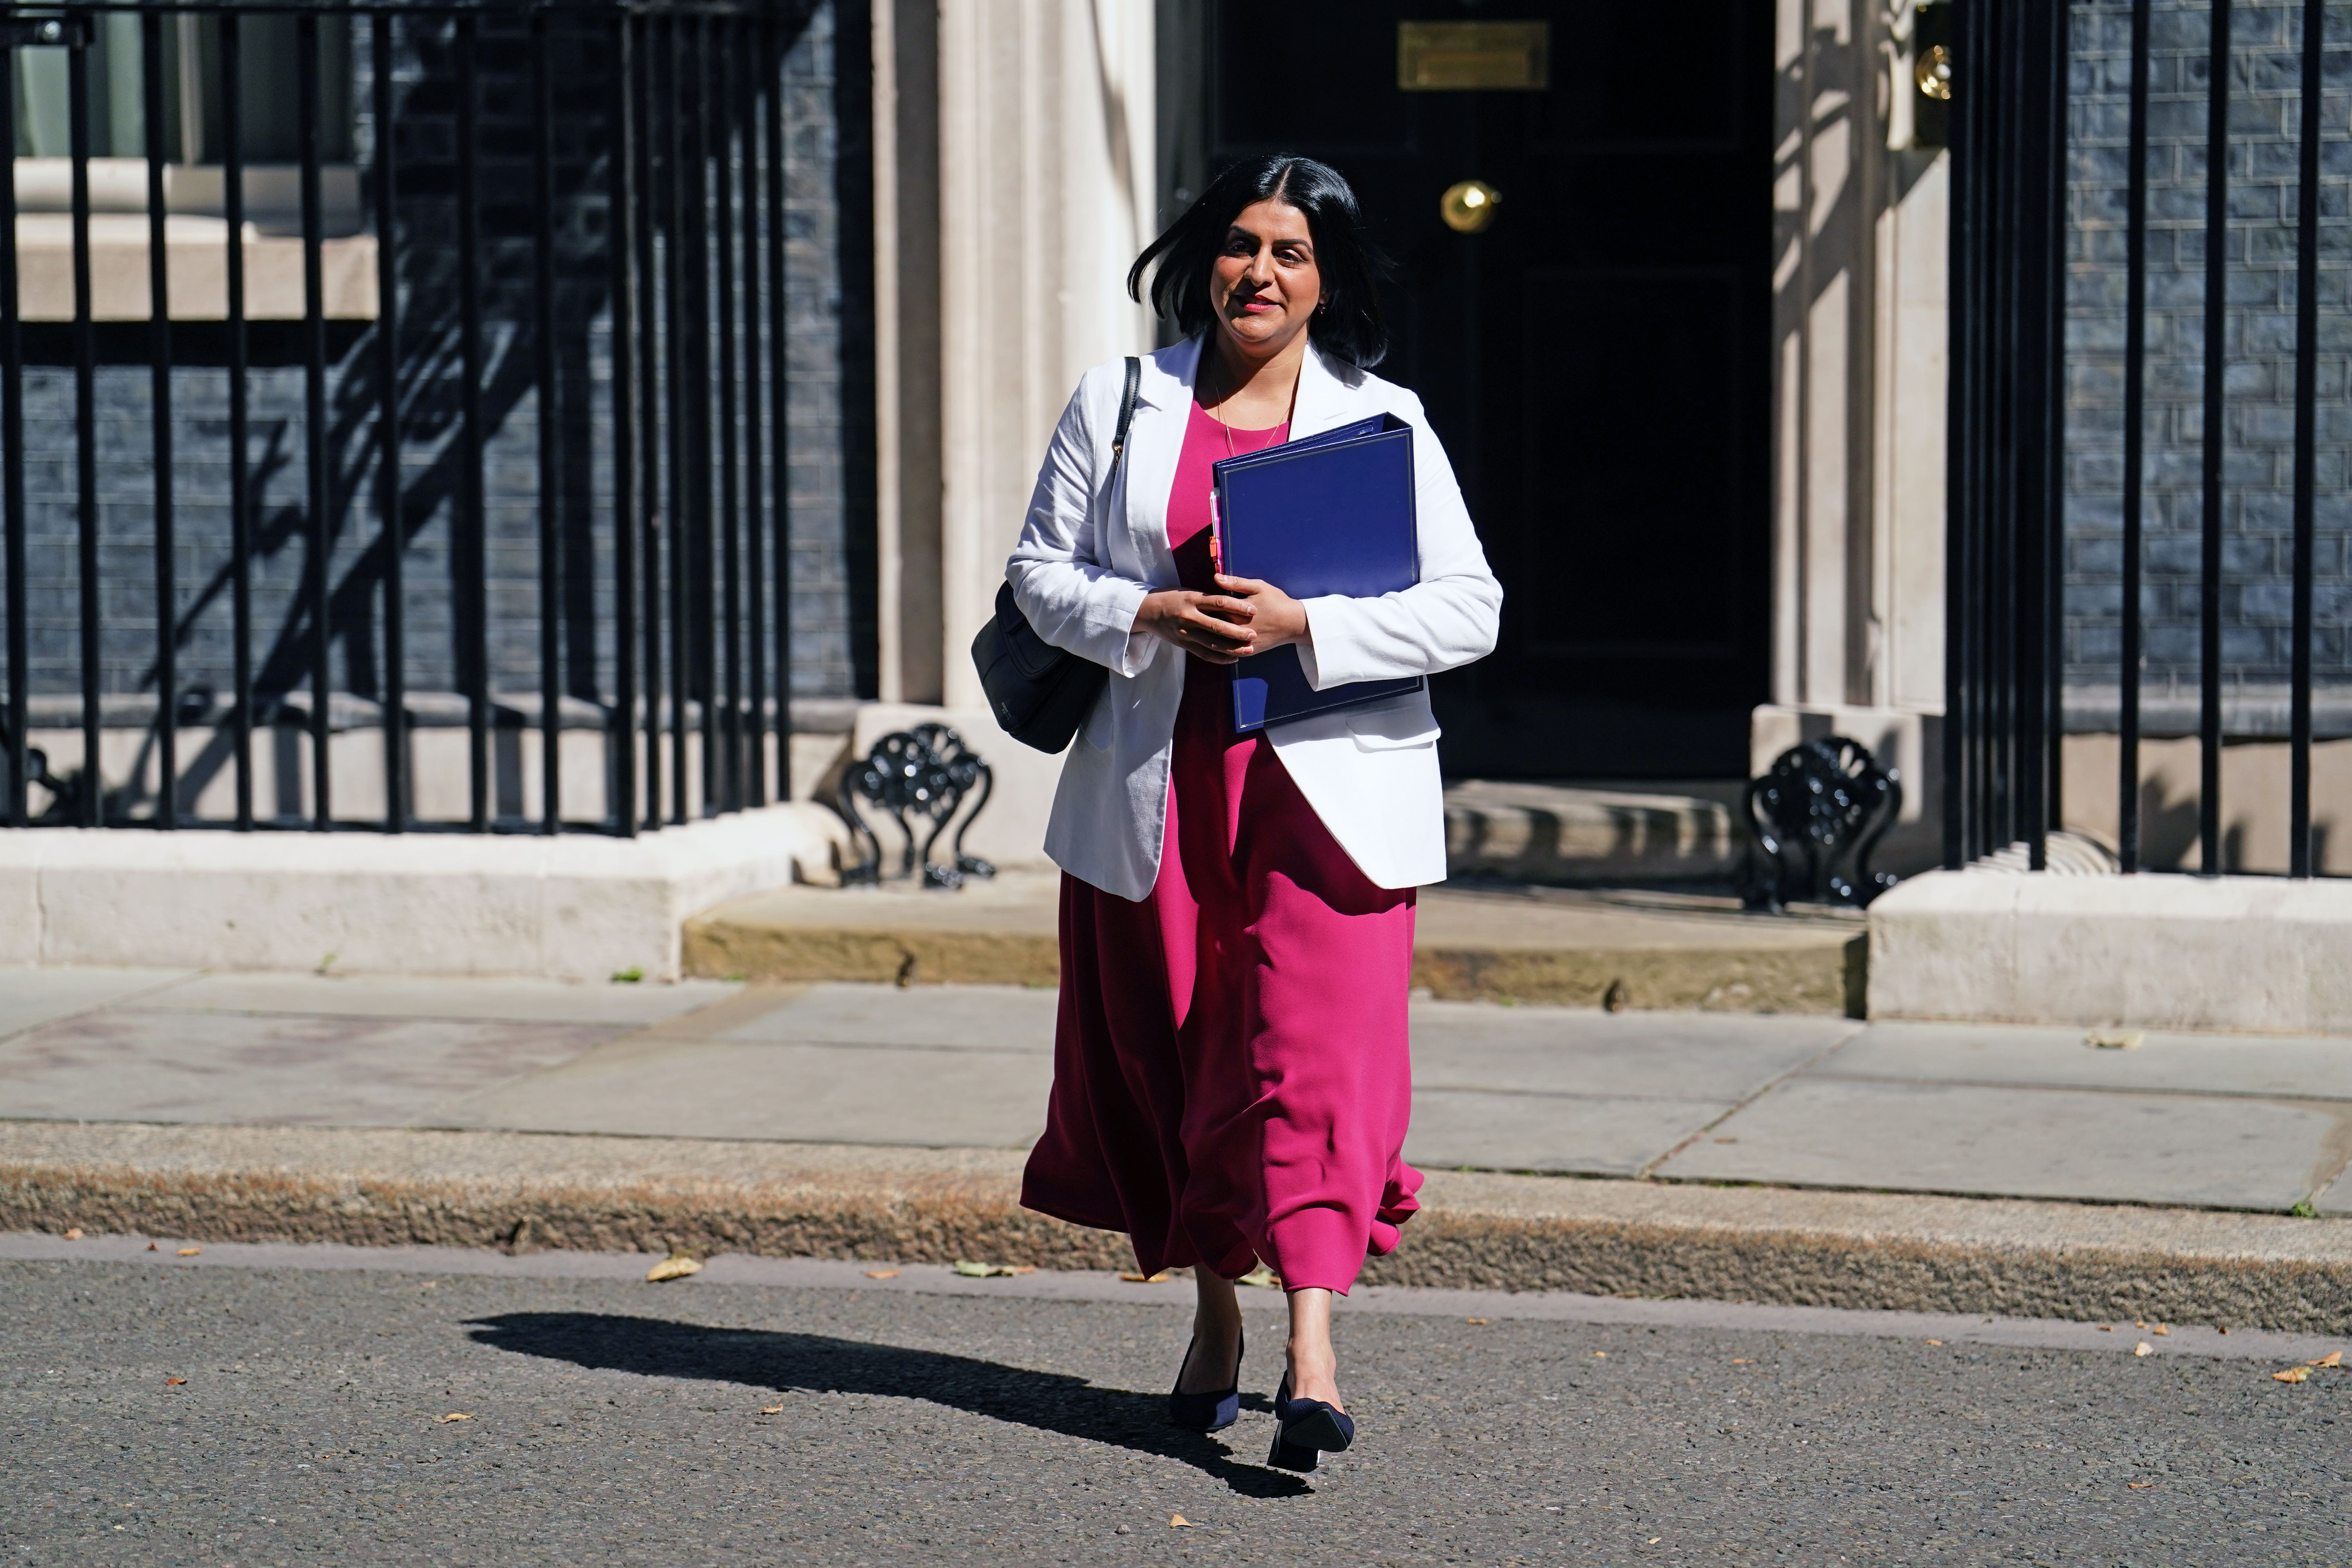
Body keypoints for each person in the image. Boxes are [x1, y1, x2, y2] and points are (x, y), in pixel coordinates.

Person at [1006, 154, 1502, 1470]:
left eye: (1292, 252)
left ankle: (1315, 1350)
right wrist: (1147, 610)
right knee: (1183, 1053)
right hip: (1162, 782)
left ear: (1327, 279)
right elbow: (1040, 574)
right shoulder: (1121, 400)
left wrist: (1307, 626)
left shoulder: (1383, 421)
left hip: (1328, 795)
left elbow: (1472, 609)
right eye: (1241, 244)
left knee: (1317, 1060)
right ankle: (1218, 1318)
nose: (1261, 273)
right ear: (1205, 260)